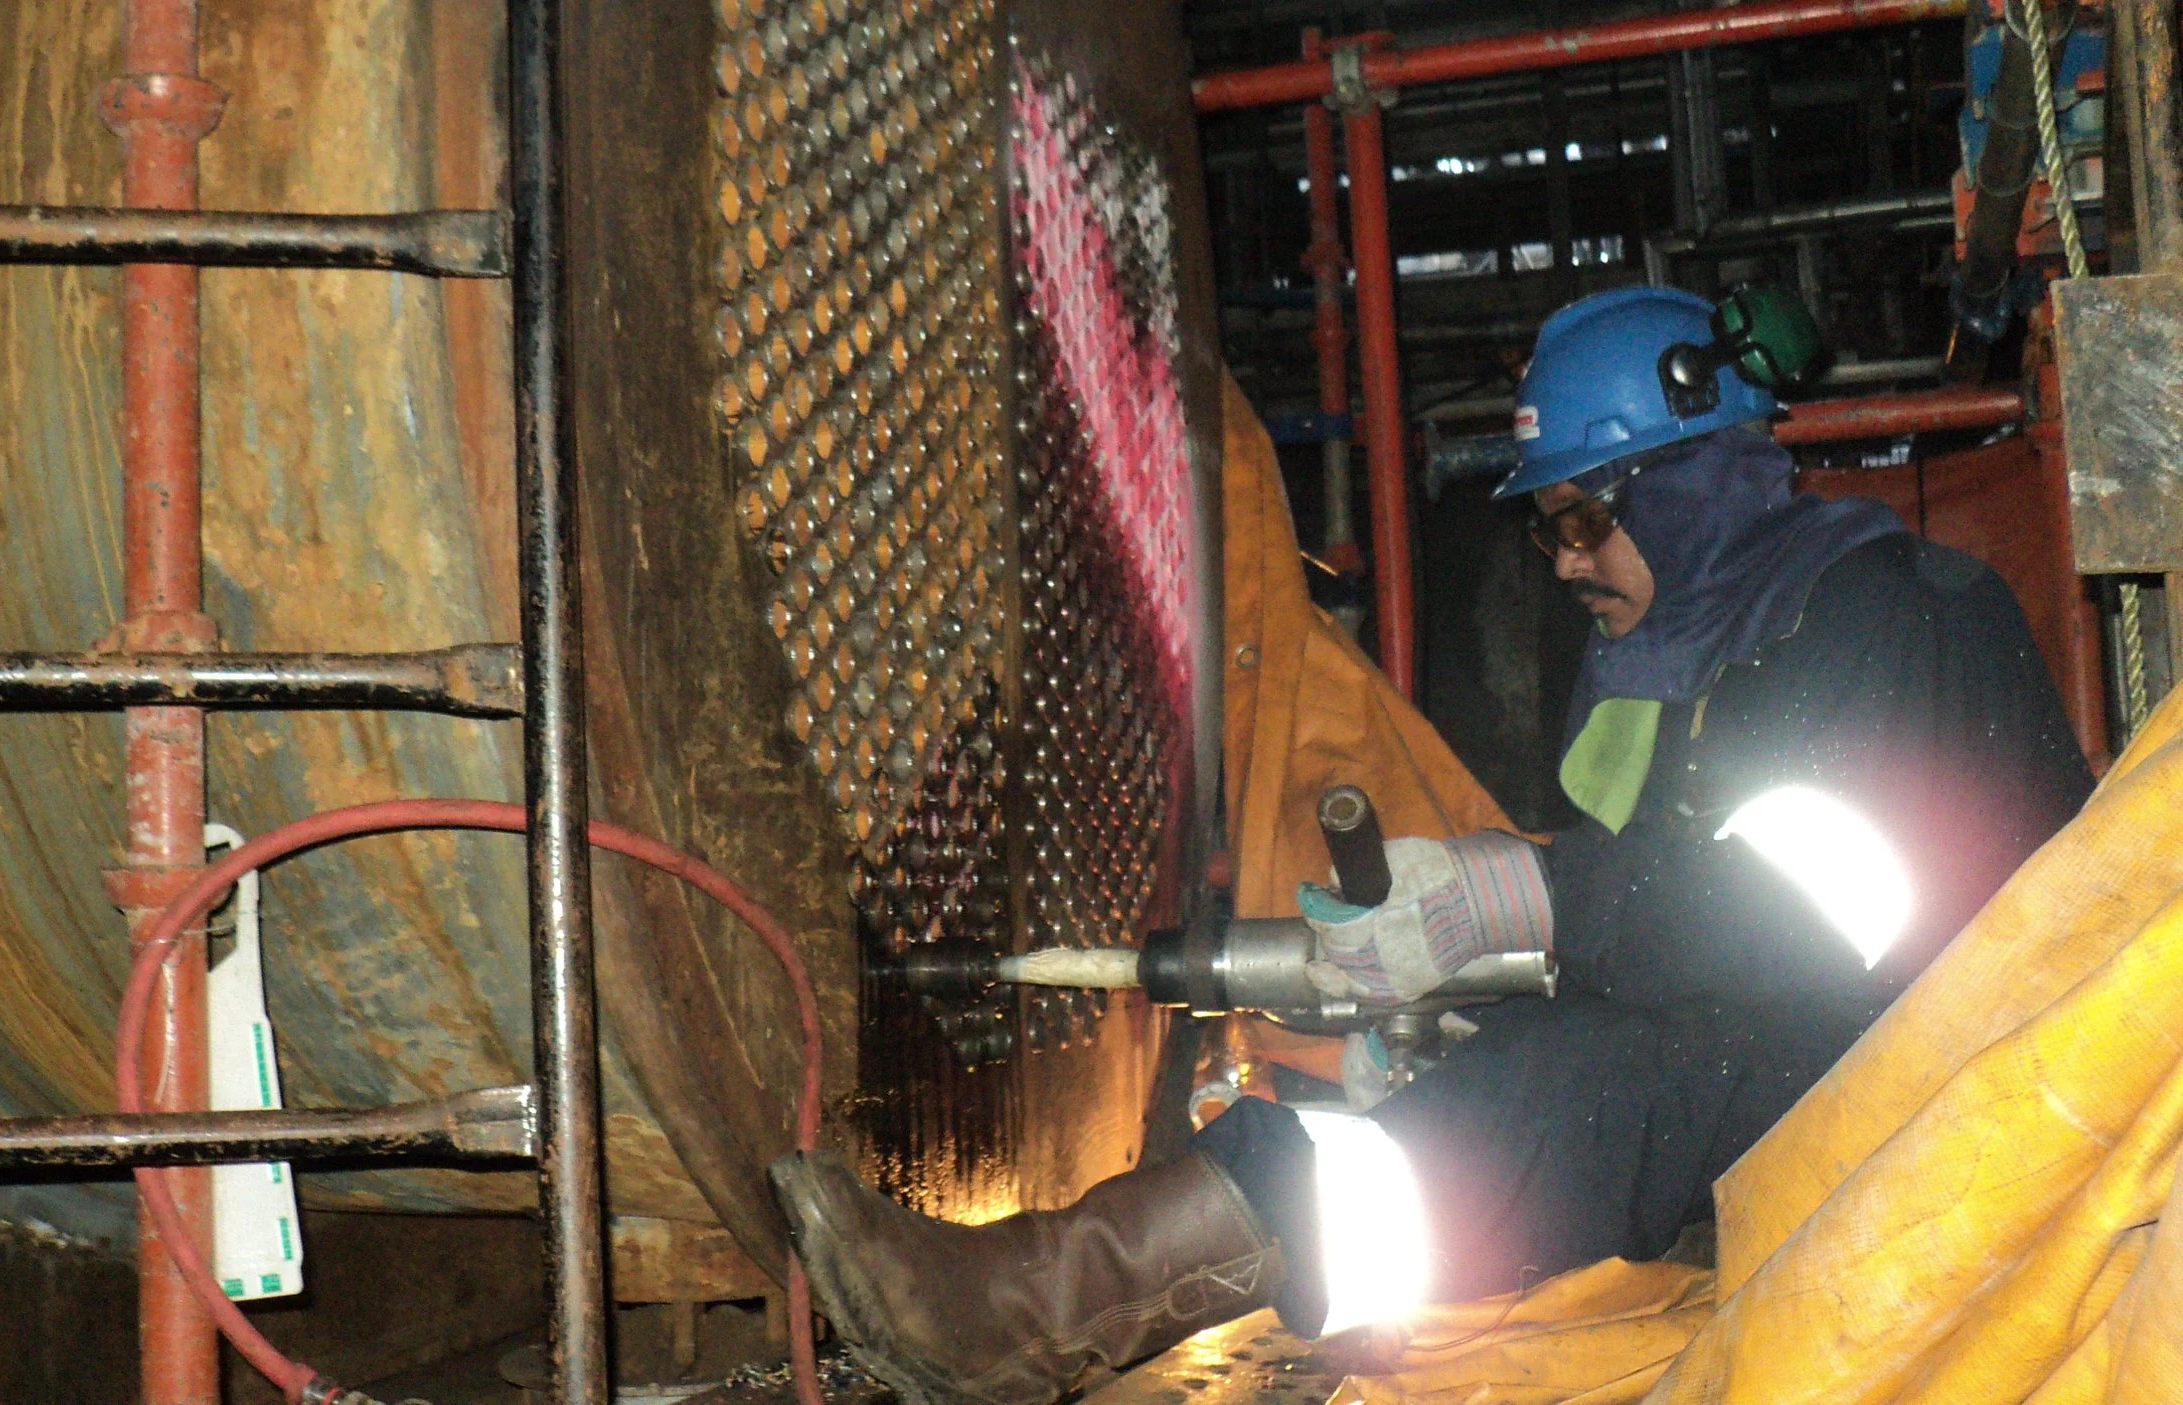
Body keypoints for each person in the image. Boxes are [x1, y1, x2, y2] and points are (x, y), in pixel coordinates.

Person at [768, 287, 2096, 1405]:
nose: (1565, 562)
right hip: (1831, 1058)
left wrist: (1530, 907)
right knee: (1539, 1068)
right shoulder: (1720, 646)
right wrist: (1479, 1001)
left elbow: (1822, 924)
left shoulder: (1892, 618)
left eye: (1583, 518)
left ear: (1691, 485)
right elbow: (1687, 935)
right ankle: (1051, 1294)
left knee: (1592, 1078)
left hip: (1984, 1086)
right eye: (1547, 528)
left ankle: (1031, 1310)